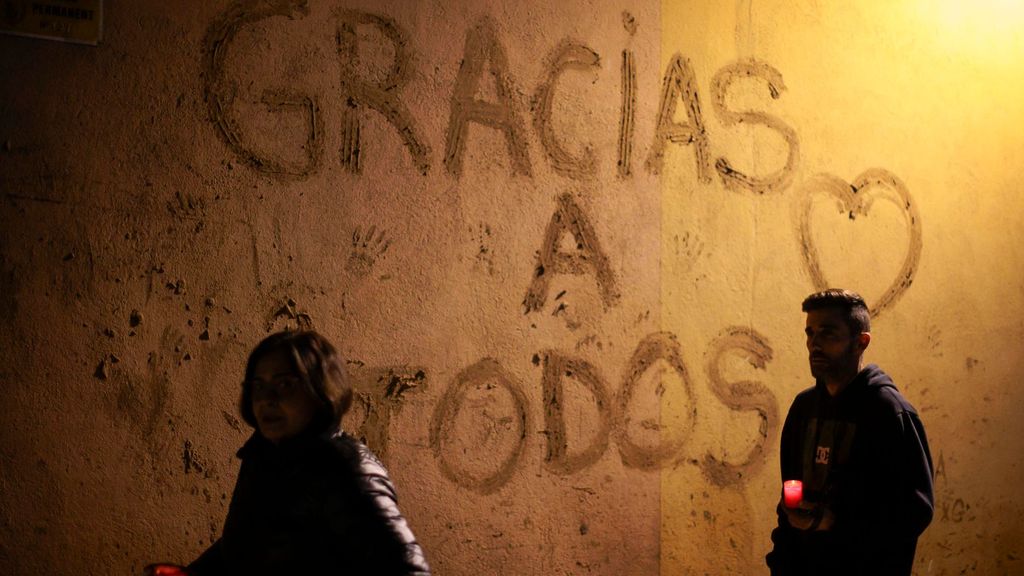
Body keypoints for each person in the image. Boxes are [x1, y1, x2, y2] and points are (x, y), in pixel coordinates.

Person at [147, 330, 430, 576]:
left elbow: (408, 569)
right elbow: (254, 542)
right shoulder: (264, 455)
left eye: (285, 384)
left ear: (319, 390)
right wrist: (195, 572)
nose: (267, 399)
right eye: (258, 385)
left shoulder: (345, 468)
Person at [766, 289, 933, 575]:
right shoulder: (804, 409)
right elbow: (789, 498)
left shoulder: (889, 412)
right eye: (810, 333)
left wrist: (835, 522)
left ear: (860, 342)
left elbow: (914, 512)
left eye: (828, 334)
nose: (814, 344)